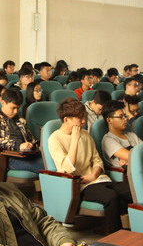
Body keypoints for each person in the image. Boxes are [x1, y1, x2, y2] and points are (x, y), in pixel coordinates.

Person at [48, 98, 132, 233]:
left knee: (131, 191)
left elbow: (97, 160)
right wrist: (74, 140)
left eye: (84, 117)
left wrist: (93, 175)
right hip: (80, 185)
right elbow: (67, 168)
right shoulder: (54, 139)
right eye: (79, 118)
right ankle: (115, 236)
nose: (83, 121)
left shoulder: (85, 134)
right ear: (66, 120)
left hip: (98, 178)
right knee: (111, 197)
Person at [0, 89, 43, 174]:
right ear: (3, 103)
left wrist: (31, 145)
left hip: (25, 155)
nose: (16, 111)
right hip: (8, 157)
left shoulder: (20, 121)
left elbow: (31, 140)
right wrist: (18, 145)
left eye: (18, 108)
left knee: (51, 162)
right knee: (44, 166)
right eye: (13, 108)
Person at [101, 100, 142, 168]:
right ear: (109, 120)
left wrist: (130, 159)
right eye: (121, 117)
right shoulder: (108, 140)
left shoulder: (132, 135)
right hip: (127, 172)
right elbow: (134, 156)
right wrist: (131, 157)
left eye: (125, 116)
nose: (125, 119)